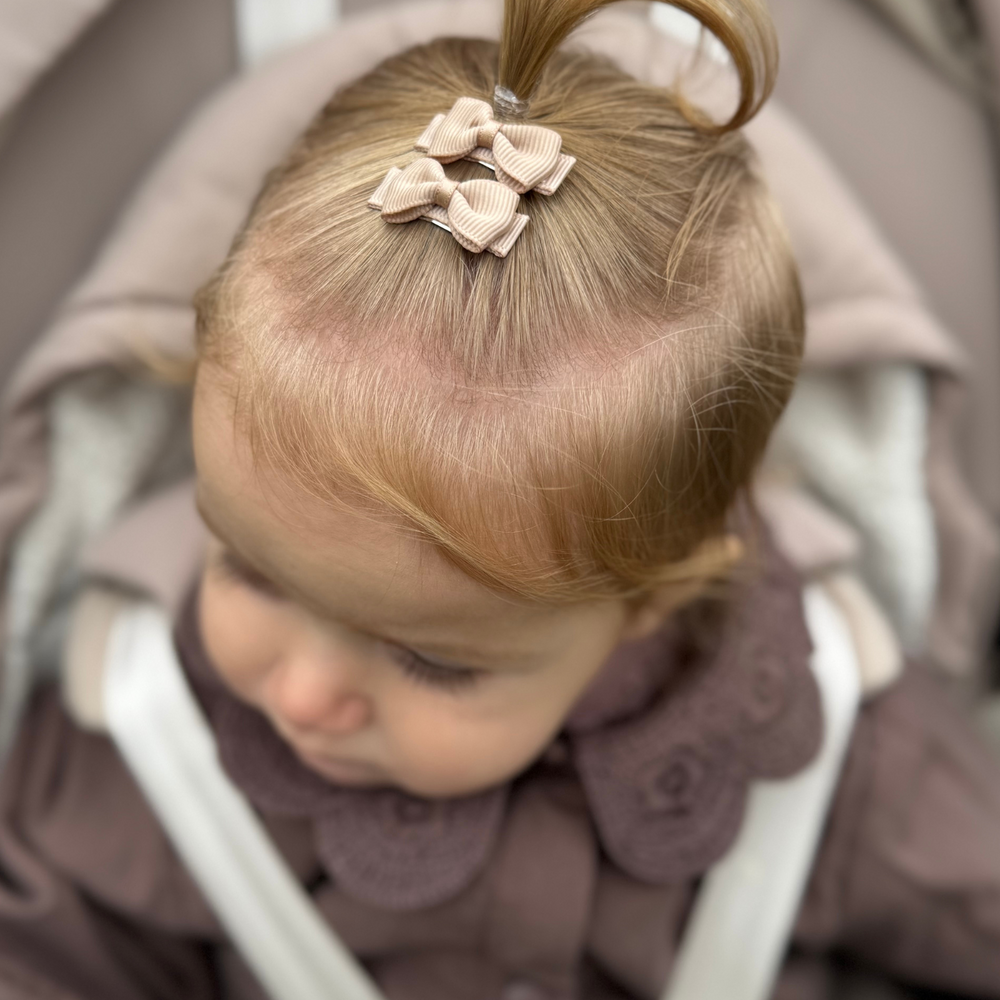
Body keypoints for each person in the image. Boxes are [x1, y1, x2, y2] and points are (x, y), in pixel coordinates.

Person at [1, 1, 1000, 999]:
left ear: (653, 597)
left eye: (432, 660)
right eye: (251, 571)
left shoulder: (836, 746)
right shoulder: (142, 728)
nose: (301, 697)